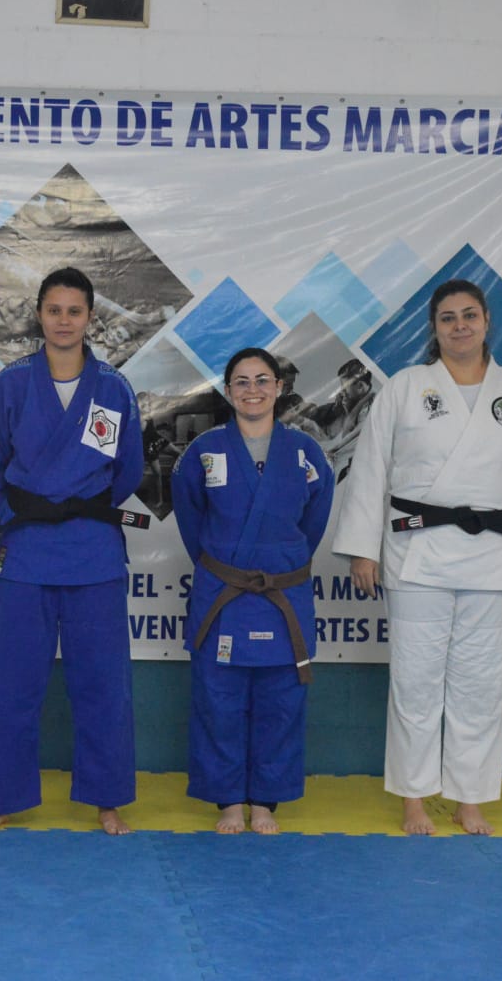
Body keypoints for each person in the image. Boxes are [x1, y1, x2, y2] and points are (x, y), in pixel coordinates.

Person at [332, 279, 502, 835]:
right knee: (415, 679)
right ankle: (414, 796)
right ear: (433, 328)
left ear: (487, 321)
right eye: (447, 318)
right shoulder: (406, 387)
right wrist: (363, 549)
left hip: (493, 552)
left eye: (469, 315)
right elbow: (370, 470)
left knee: (482, 683)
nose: (459, 326)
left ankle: (469, 796)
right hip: (418, 550)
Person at [0, 267, 146, 835]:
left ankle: (107, 798)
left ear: (90, 317)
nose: (64, 321)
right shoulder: (13, 385)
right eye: (54, 310)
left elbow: (128, 472)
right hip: (26, 552)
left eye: (75, 311)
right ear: (39, 316)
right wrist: (16, 519)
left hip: (92, 552)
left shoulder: (113, 389)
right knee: (15, 684)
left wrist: (81, 511)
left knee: (102, 683)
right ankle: (2, 798)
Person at [172, 348, 334, 834]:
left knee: (280, 701)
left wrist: (279, 559)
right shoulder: (202, 452)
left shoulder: (306, 453)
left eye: (263, 380)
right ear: (227, 392)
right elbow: (190, 519)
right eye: (241, 382)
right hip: (224, 590)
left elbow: (315, 521)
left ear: (279, 388)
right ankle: (227, 801)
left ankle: (265, 801)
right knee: (218, 699)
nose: (252, 390)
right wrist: (227, 565)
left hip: (282, 593)